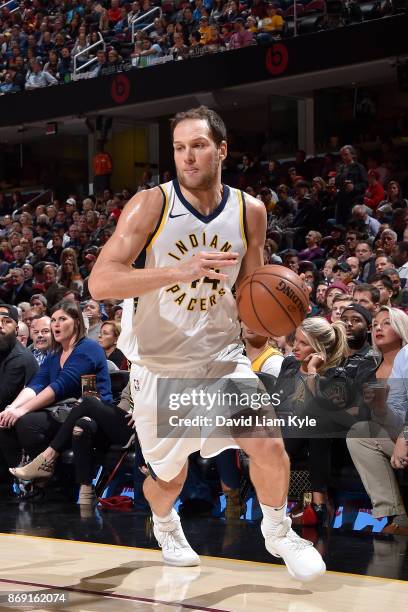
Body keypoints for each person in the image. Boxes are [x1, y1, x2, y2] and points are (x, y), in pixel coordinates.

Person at [88, 106, 325, 581]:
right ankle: (164, 523)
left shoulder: (249, 210)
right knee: (168, 480)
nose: (187, 157)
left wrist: (272, 315)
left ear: (221, 149)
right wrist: (181, 270)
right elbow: (101, 282)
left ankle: (278, 531)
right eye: (179, 148)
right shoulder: (151, 204)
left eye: (197, 146)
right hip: (160, 366)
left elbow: (251, 289)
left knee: (269, 445)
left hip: (222, 357)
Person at [0, 301, 112, 474]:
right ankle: (20, 480)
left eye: (62, 319)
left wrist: (22, 411)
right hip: (63, 411)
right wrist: (12, 408)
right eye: (53, 320)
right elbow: (36, 384)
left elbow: (60, 386)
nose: (56, 325)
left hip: (91, 413)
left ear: (76, 322)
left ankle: (50, 478)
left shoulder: (89, 348)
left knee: (27, 422)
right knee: (5, 422)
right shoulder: (55, 354)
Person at [276, 317, 350, 525]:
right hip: (286, 432)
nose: (295, 347)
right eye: (295, 340)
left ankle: (317, 505)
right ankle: (318, 505)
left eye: (303, 343)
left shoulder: (337, 374)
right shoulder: (289, 364)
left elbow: (321, 407)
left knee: (318, 422)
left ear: (319, 349)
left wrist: (312, 372)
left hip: (318, 439)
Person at [347, 307, 408, 534]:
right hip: (394, 433)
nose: (378, 328)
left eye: (386, 323)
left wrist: (404, 438)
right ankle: (396, 516)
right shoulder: (368, 366)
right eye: (375, 325)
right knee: (359, 433)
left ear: (402, 328)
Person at [0, 303, 39, 411]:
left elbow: (2, 402)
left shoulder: (20, 358)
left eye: (7, 321)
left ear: (16, 330)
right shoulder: (3, 351)